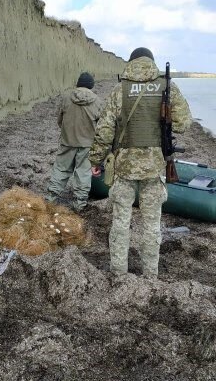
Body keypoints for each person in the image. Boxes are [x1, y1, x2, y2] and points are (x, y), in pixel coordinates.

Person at [89, 47, 192, 278]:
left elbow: (105, 129)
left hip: (124, 166)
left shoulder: (120, 89)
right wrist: (163, 123)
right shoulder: (166, 87)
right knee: (151, 225)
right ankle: (150, 276)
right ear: (151, 63)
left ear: (131, 63)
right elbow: (184, 123)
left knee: (120, 223)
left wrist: (96, 159)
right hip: (154, 167)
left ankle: (118, 273)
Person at [46, 72, 102, 212]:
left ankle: (51, 198)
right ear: (91, 85)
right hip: (87, 144)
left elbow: (60, 121)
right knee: (83, 173)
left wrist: (68, 133)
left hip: (67, 141)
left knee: (61, 169)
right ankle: (80, 203)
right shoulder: (97, 101)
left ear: (78, 83)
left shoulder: (66, 97)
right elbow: (101, 126)